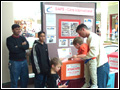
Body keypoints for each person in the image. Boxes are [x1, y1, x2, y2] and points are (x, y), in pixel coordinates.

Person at [76, 23, 109, 88]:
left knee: (99, 86)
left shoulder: (93, 37)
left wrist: (81, 56)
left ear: (83, 29)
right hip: (96, 65)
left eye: (80, 33)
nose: (80, 35)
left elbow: (93, 53)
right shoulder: (88, 38)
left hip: (101, 66)